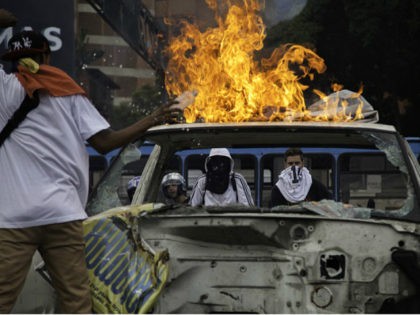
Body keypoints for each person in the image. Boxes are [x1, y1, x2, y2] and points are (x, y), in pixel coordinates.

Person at [0, 10, 182, 314]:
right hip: (62, 214)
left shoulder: (4, 90)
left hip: (13, 219)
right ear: (46, 56)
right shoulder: (68, 91)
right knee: (76, 301)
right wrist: (152, 119)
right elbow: (105, 142)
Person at [190, 148, 254, 206]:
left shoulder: (237, 179)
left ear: (228, 163)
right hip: (208, 218)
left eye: (223, 162)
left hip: (233, 218)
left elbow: (248, 207)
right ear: (209, 163)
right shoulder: (202, 180)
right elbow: (193, 207)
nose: (219, 166)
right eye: (215, 161)